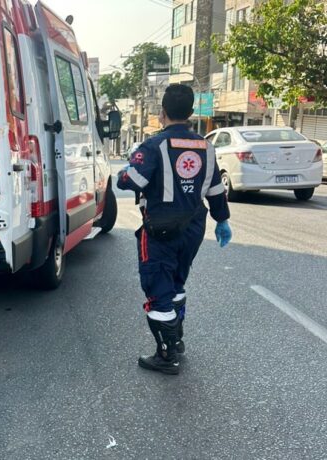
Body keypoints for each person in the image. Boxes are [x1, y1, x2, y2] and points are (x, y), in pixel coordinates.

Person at [117, 84, 232, 375]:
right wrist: (222, 220)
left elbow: (131, 181)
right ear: (191, 113)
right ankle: (177, 340)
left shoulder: (153, 146)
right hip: (193, 229)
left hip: (160, 230)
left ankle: (167, 356)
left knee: (157, 289)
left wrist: (123, 172)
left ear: (162, 113)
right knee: (177, 282)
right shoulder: (207, 147)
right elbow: (216, 190)